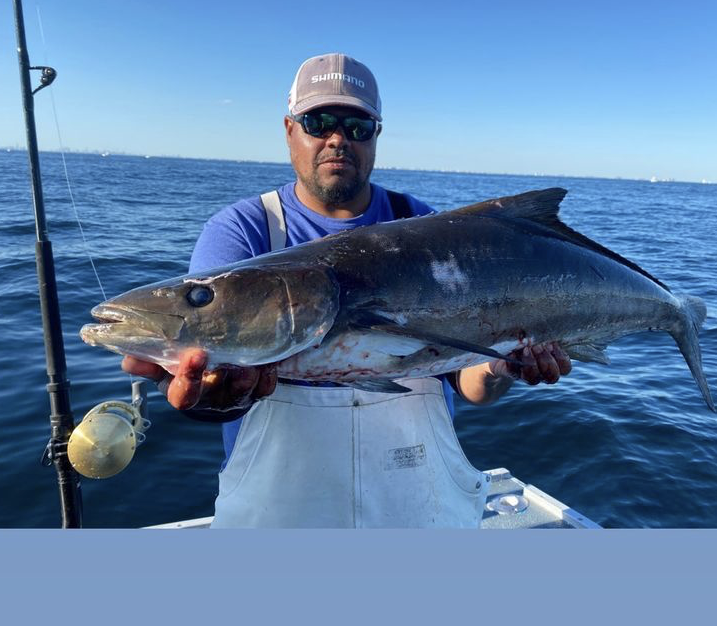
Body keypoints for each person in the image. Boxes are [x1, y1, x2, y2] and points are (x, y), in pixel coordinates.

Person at [123, 54, 570, 526]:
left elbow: (468, 382)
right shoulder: (243, 232)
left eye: (356, 126)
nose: (337, 139)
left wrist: (503, 365)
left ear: (376, 135)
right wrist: (214, 399)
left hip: (421, 511)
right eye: (318, 122)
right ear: (289, 129)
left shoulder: (428, 228)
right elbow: (211, 390)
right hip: (281, 518)